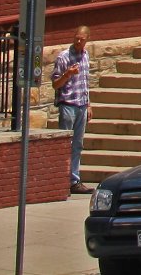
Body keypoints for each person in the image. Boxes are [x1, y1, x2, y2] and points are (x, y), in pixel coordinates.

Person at [51, 26, 91, 194]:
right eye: (76, 38)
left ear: (87, 39)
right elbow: (55, 84)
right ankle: (61, 180)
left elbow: (85, 83)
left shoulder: (86, 56)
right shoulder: (63, 57)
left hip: (81, 105)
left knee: (77, 145)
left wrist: (89, 104)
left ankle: (74, 180)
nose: (78, 41)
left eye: (82, 39)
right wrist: (67, 74)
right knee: (64, 144)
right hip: (67, 105)